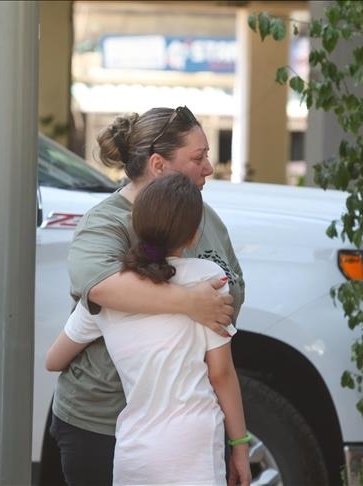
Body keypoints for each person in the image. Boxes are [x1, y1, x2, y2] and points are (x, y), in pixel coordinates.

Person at [50, 106, 245, 485]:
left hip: (191, 427)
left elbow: (232, 293)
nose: (209, 168)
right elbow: (100, 286)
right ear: (158, 164)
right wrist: (191, 302)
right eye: (198, 157)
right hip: (103, 425)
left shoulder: (205, 217)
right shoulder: (105, 223)